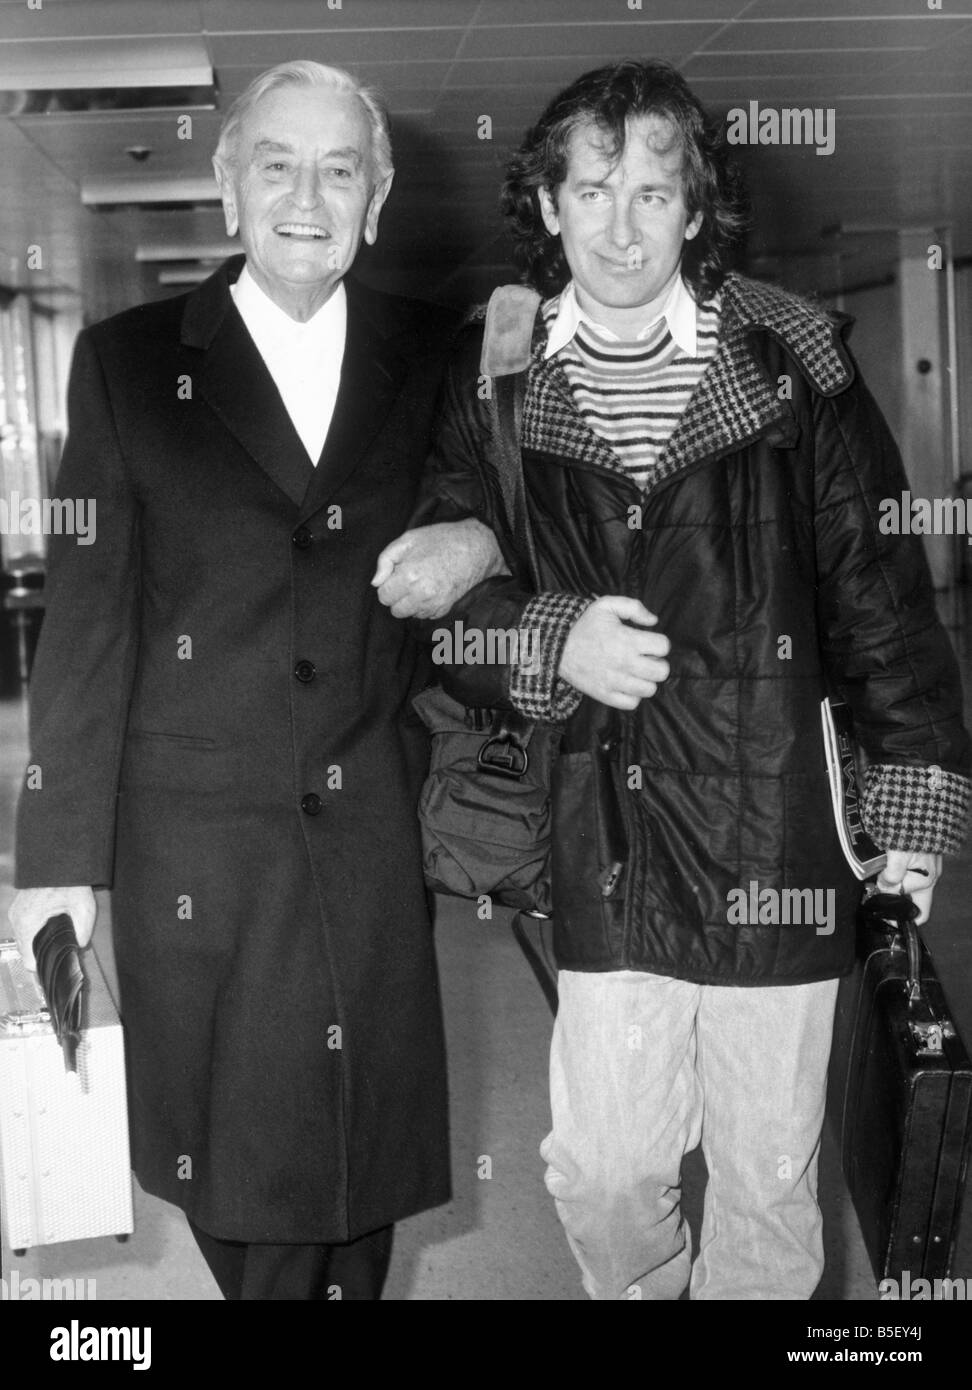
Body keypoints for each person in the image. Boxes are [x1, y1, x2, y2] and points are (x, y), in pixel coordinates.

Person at [376, 58, 971, 1300]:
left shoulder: (792, 365)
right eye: (593, 191)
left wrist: (912, 808)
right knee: (600, 1168)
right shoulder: (496, 382)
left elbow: (880, 597)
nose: (622, 225)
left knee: (766, 1186)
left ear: (697, 210)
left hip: (776, 830)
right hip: (608, 833)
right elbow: (449, 620)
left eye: (655, 194)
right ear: (547, 206)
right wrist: (553, 639)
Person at [9, 60, 503, 1301]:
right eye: (275, 164)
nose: (306, 194)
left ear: (376, 200)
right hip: (200, 861)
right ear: (228, 189)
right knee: (253, 1195)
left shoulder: (433, 361)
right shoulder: (128, 366)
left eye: (341, 169)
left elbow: (513, 518)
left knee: (357, 1186)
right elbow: (87, 625)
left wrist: (478, 544)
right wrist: (53, 871)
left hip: (367, 846)